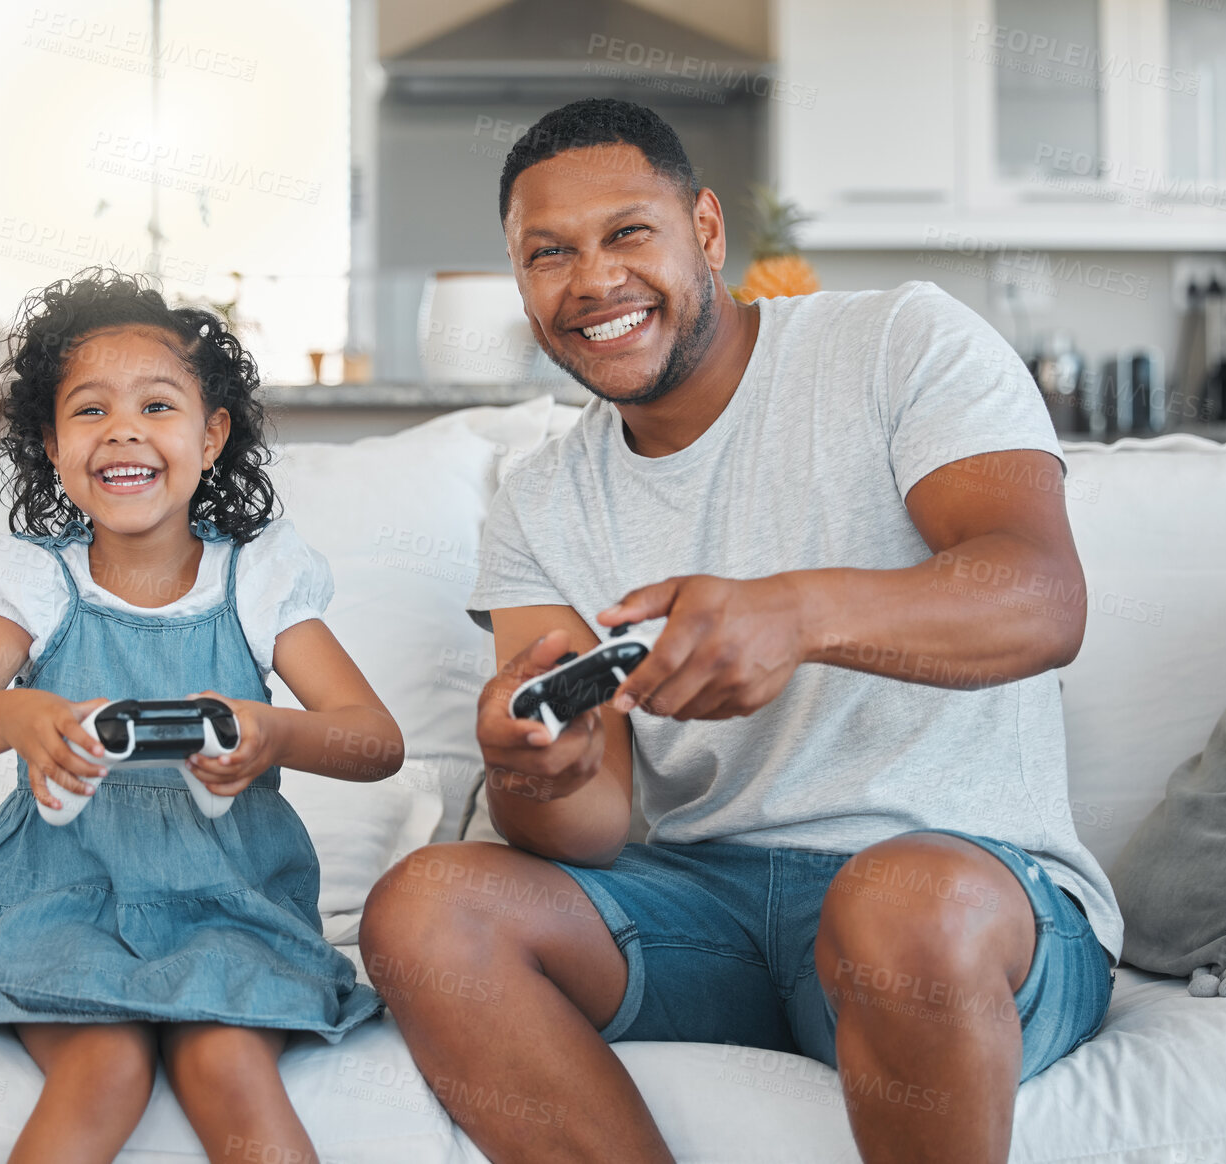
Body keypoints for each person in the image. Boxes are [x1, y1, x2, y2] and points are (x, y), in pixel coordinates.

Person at [360, 98, 1119, 1164]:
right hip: (701, 914)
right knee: (425, 909)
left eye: (628, 232)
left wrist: (798, 613)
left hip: (954, 896)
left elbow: (1039, 601)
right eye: (546, 255)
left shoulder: (899, 342)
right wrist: (534, 769)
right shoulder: (539, 503)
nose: (591, 281)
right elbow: (589, 827)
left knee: (896, 902)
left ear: (706, 232)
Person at [0, 269, 403, 1164]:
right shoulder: (28, 583)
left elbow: (375, 741)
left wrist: (276, 732)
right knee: (106, 1064)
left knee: (228, 1063)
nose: (123, 428)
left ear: (212, 437)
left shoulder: (261, 578)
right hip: (58, 899)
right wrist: (16, 717)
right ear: (52, 447)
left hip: (229, 905)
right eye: (89, 411)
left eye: (157, 405)